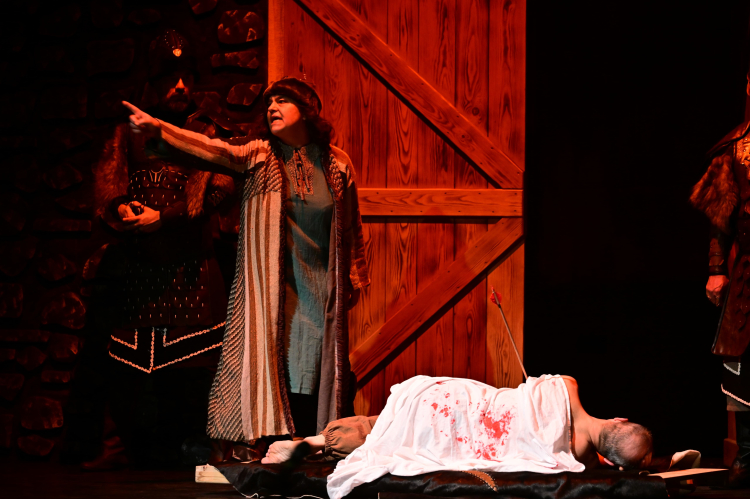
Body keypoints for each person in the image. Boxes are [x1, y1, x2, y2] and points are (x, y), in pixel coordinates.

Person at [122, 76, 370, 444]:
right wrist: (160, 129)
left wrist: (354, 277)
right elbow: (210, 150)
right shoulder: (258, 155)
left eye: (283, 101)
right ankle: (275, 451)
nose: (272, 108)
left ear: (307, 111)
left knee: (326, 372)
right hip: (275, 288)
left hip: (322, 288)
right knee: (278, 367)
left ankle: (323, 450)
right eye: (269, 102)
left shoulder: (337, 163)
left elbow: (351, 227)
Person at [86, 29, 238, 469]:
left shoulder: (207, 132)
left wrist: (165, 217)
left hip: (192, 264)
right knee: (122, 361)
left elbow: (221, 189)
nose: (181, 86)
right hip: (139, 265)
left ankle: (210, 448)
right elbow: (108, 187)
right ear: (154, 81)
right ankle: (117, 447)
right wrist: (122, 208)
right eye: (171, 77)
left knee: (203, 364)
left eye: (187, 77)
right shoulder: (126, 133)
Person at [259, 375, 652, 499]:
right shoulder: (576, 458)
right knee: (391, 440)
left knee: (386, 425)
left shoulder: (567, 385)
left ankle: (317, 441)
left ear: (619, 418)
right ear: (609, 460)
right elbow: (587, 458)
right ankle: (317, 444)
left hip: (464, 400)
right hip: (469, 433)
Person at [690, 72, 750, 488]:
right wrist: (716, 269)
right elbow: (719, 219)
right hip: (747, 273)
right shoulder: (735, 148)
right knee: (743, 363)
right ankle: (747, 459)